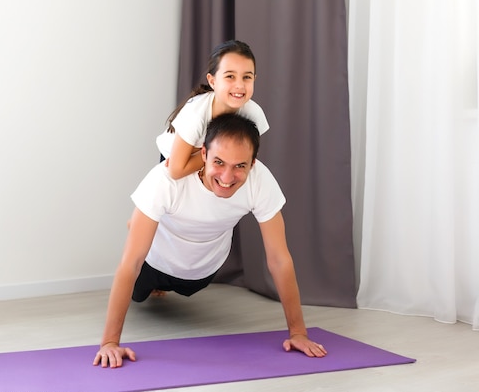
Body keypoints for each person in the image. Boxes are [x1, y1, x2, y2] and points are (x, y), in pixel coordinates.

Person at [94, 114, 327, 369]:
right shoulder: (165, 180)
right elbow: (131, 262)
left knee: (189, 285)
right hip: (155, 262)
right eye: (219, 162)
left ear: (253, 163)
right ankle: (141, 226)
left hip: (204, 270)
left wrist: (298, 333)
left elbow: (279, 259)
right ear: (203, 154)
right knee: (139, 294)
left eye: (240, 166)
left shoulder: (260, 180)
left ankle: (142, 224)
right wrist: (109, 342)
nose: (227, 177)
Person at [156, 39, 270, 179]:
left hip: (209, 162)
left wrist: (217, 155)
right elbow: (176, 170)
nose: (240, 85)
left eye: (247, 77)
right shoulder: (196, 114)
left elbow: (246, 154)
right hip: (174, 160)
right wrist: (216, 153)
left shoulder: (254, 113)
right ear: (212, 81)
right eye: (230, 76)